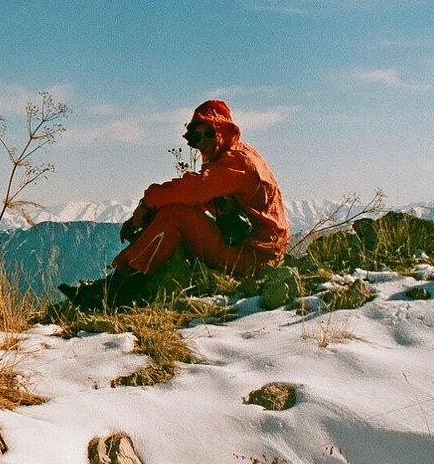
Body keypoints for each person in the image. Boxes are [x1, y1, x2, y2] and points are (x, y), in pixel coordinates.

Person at [60, 99, 290, 309]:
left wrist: (146, 203)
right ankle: (116, 285)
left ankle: (117, 292)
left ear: (223, 131)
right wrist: (152, 212)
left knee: (177, 214)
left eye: (210, 133)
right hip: (250, 250)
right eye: (196, 138)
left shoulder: (235, 162)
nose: (203, 143)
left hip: (255, 259)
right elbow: (204, 201)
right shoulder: (236, 156)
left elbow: (192, 192)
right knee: (175, 210)